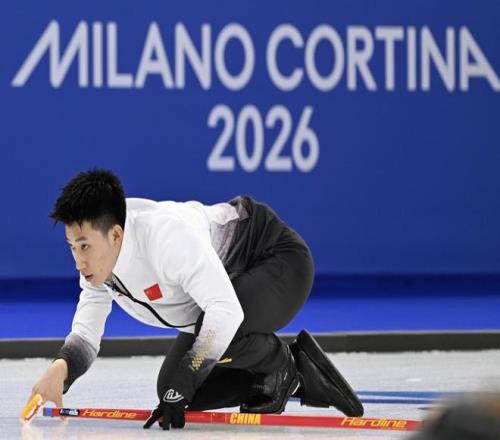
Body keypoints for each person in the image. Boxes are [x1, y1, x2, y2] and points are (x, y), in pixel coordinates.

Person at [26, 169, 363, 430]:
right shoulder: (98, 265)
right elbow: (86, 334)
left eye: (84, 246)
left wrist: (187, 377)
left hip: (275, 260)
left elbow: (225, 312)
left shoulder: (165, 238)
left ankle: (287, 363)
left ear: (115, 235)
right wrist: (61, 370)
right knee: (171, 389)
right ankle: (280, 380)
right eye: (72, 247)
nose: (78, 261)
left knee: (196, 364)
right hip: (220, 298)